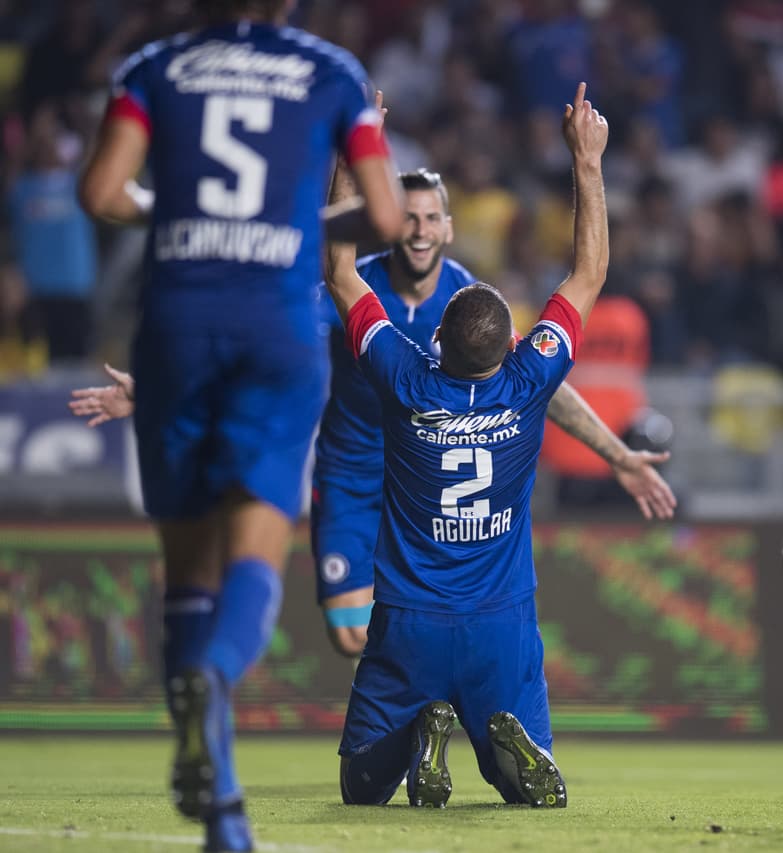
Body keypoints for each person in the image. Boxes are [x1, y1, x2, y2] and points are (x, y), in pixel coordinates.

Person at [72, 170, 677, 659]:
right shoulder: (352, 289)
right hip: (355, 474)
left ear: (448, 226)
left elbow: (537, 387)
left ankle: (414, 722)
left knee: (420, 623)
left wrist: (618, 455)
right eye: (407, 216)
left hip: (433, 483)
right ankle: (416, 706)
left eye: (430, 217)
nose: (419, 230)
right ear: (390, 224)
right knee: (349, 634)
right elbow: (268, 352)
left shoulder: (467, 300)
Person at [76, 1, 404, 850]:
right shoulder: (332, 73)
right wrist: (282, 225)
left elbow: (101, 193)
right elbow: (386, 216)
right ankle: (210, 677)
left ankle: (224, 815)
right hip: (276, 328)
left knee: (188, 570)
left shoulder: (152, 67)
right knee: (256, 549)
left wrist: (184, 212)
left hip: (177, 324)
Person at [326, 82, 607, 810]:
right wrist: (587, 162)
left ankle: (421, 728)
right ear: (512, 343)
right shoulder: (529, 380)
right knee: (529, 792)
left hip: (408, 619)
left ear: (434, 342)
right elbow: (587, 274)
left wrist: (355, 154)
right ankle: (500, 742)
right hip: (502, 620)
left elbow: (340, 270)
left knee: (361, 787)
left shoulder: (404, 377)